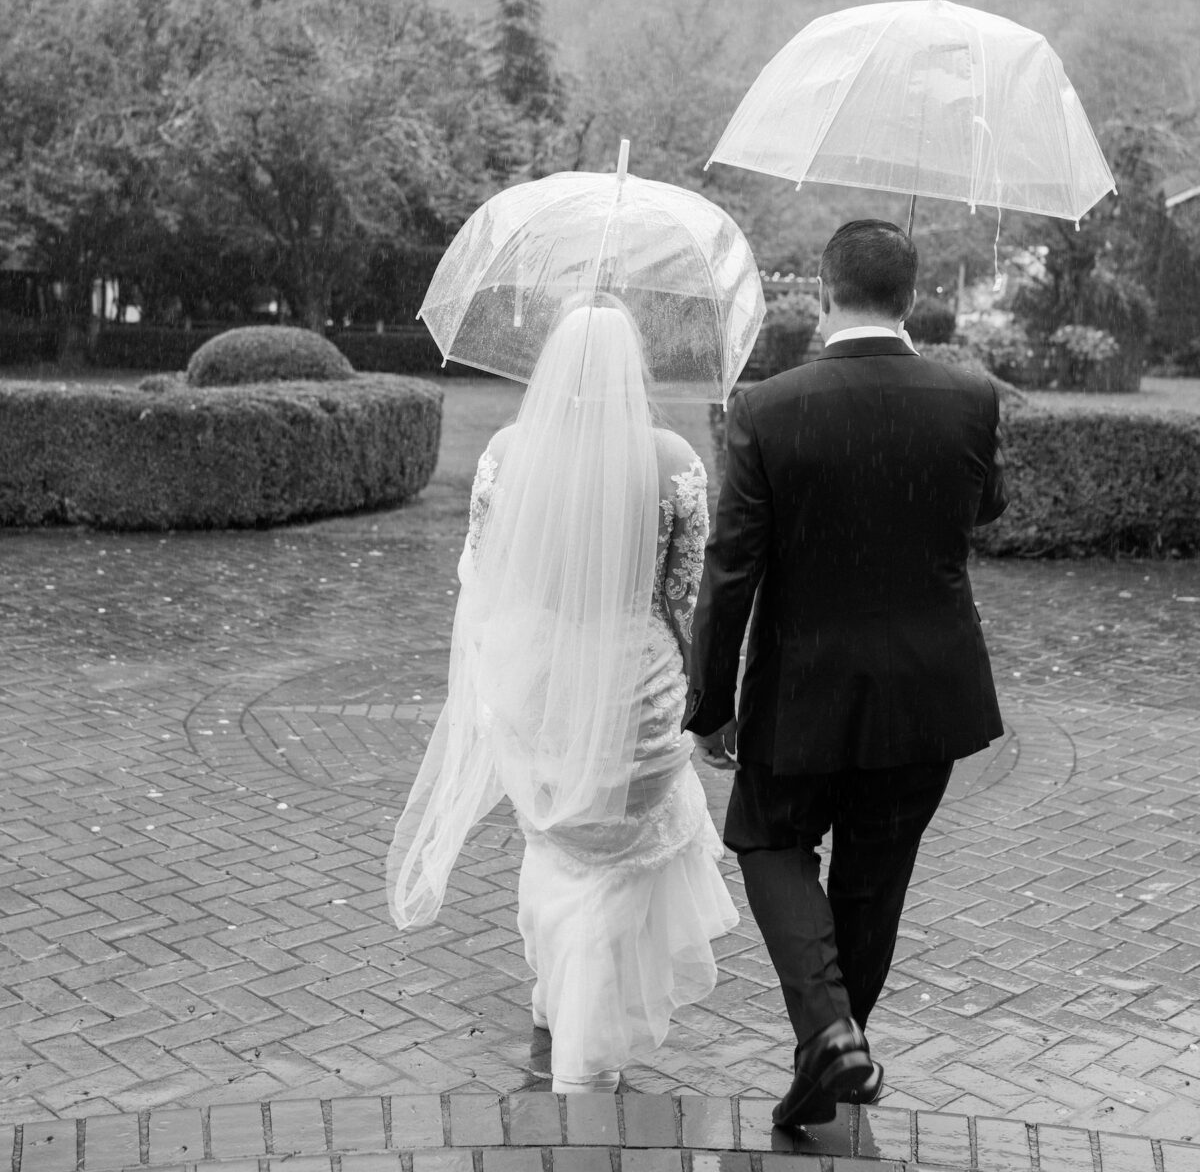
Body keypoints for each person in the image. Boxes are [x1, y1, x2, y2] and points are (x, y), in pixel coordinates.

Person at [684, 219, 1008, 1130]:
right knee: (874, 883)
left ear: (825, 293)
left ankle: (828, 1032)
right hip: (926, 698)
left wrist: (711, 704)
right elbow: (987, 503)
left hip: (803, 691)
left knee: (767, 839)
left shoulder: (768, 408)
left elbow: (731, 568)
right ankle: (832, 1045)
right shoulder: (969, 397)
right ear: (911, 298)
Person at [387, 300, 738, 1093]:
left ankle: (553, 1006)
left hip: (539, 688)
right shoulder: (672, 456)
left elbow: (482, 575)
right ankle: (583, 1039)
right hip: (636, 696)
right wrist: (699, 694)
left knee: (554, 844)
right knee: (615, 865)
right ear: (632, 370)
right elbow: (684, 598)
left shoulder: (510, 452)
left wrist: (502, 667)